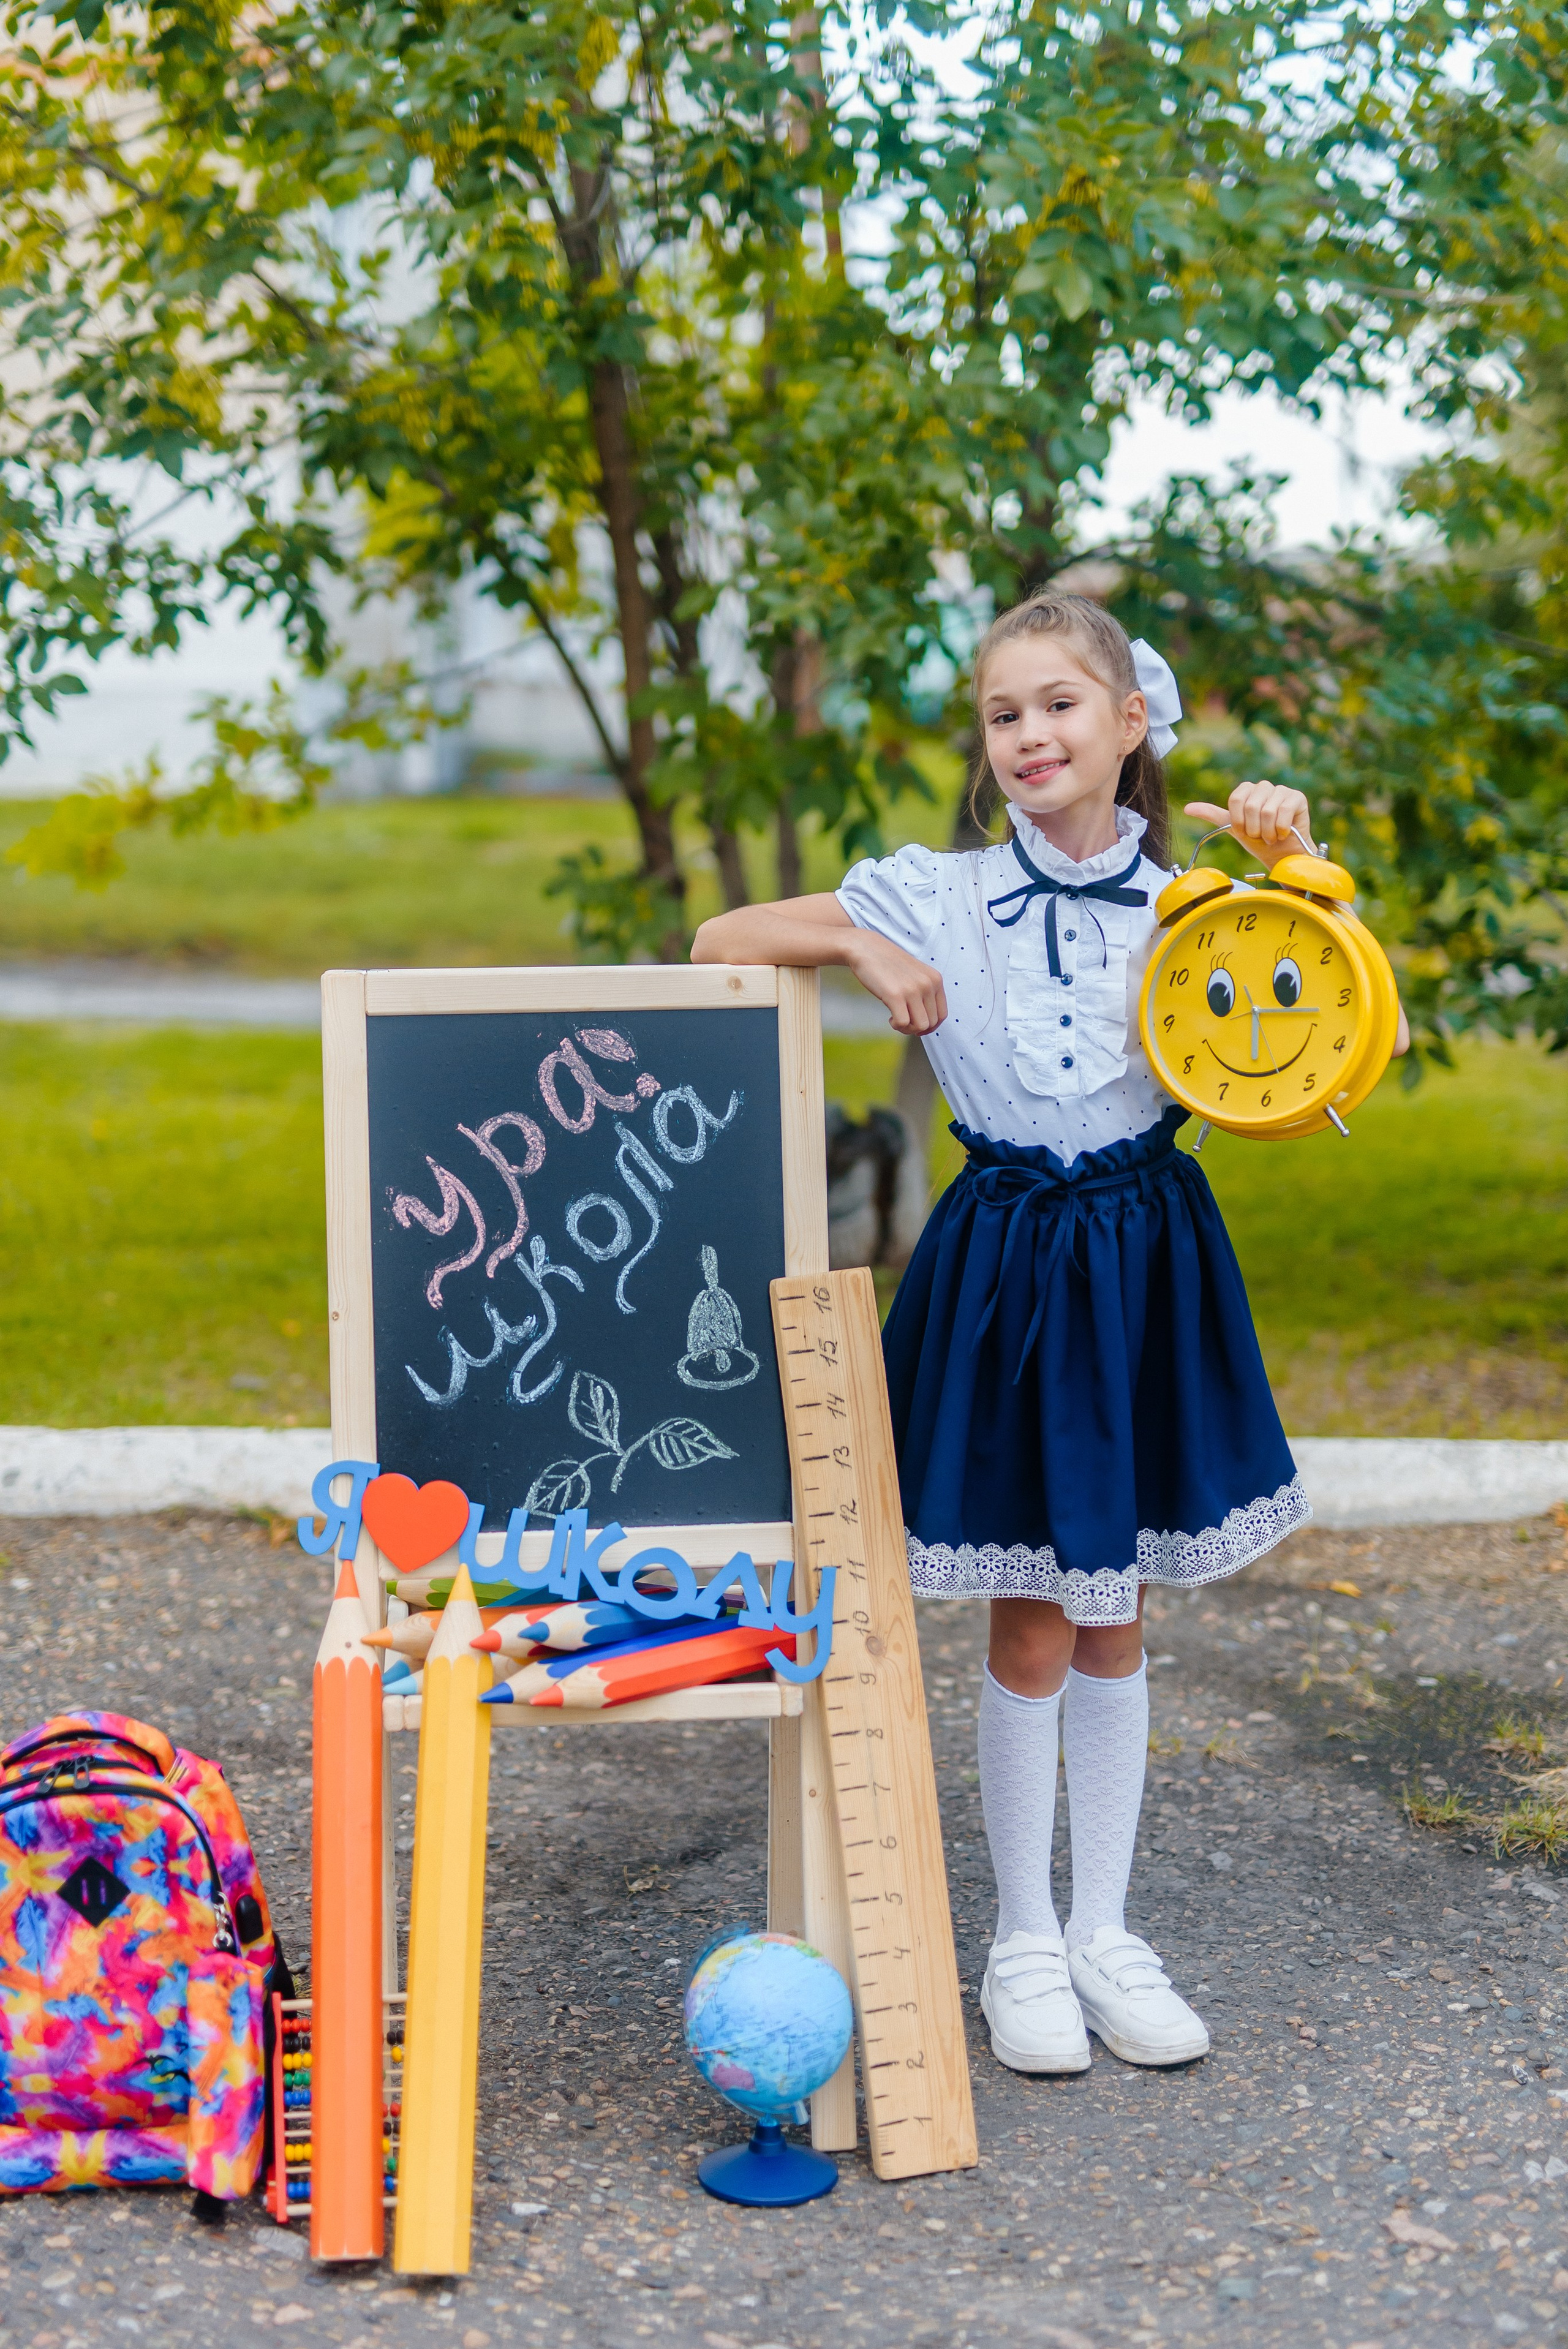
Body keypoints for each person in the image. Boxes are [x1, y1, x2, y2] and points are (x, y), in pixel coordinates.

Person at [693, 590, 1406, 2076]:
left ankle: (1105, 1930)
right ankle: (1020, 1936)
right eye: (1003, 713)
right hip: (1010, 1271)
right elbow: (718, 932)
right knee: (1028, 1608)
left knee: (1118, 1603)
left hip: (1144, 1265)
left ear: (1128, 723)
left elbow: (1340, 1043)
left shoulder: (1195, 905)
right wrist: (862, 957)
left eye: (1060, 706)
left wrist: (1301, 878)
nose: (1029, 734)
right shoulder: (935, 895)